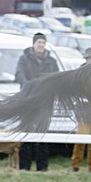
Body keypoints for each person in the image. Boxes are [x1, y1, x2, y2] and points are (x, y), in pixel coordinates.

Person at [15, 32, 59, 171]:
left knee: (43, 132)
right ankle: (24, 167)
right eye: (38, 42)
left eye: (43, 42)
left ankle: (42, 167)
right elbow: (19, 74)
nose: (41, 45)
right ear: (33, 43)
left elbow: (56, 77)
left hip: (44, 101)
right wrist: (29, 86)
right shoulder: (24, 59)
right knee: (26, 132)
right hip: (28, 99)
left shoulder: (52, 61)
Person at [70, 48, 91, 172]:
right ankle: (75, 165)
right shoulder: (79, 73)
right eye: (89, 58)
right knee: (80, 140)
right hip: (84, 111)